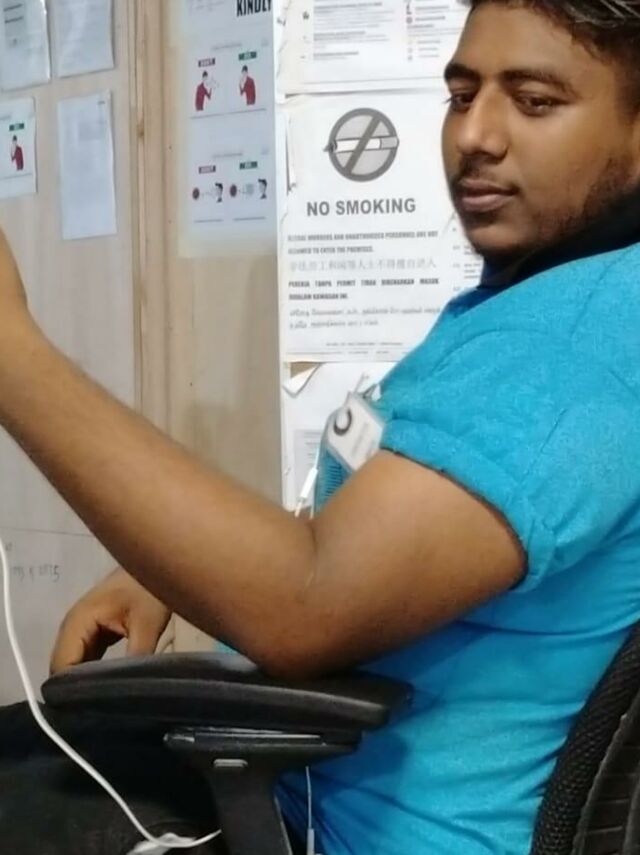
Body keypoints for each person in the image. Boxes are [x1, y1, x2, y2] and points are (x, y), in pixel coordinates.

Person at [2, 1, 640, 853]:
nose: (475, 136)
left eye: (533, 101)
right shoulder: (547, 304)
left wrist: (13, 353)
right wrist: (183, 574)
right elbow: (388, 533)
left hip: (349, 829)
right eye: (462, 95)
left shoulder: (567, 347)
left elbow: (306, 605)